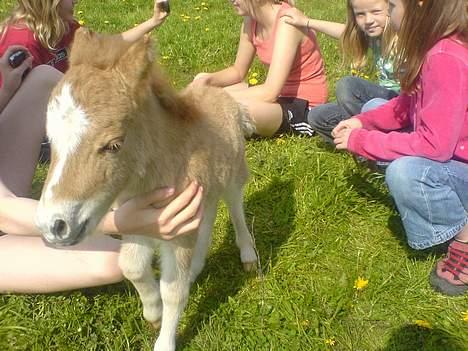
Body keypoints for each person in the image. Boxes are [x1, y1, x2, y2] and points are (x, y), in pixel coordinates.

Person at [0, 0, 204, 294]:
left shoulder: (64, 30)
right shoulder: (22, 36)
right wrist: (116, 222)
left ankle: (95, 139)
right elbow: (3, 211)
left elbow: (106, 46)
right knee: (112, 261)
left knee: (44, 76)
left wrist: (6, 91)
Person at [332, 0, 468, 296]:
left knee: (406, 172)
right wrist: (362, 122)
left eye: (392, 5)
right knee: (374, 106)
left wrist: (364, 142)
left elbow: (435, 146)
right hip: (452, 154)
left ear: (419, 6)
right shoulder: (434, 47)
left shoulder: (445, 57)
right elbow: (405, 107)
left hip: (456, 160)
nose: (390, 14)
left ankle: (462, 232)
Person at [191, 0, 328, 137]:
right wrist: (208, 79)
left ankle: (191, 126)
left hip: (304, 106)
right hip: (279, 96)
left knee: (233, 109)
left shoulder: (287, 23)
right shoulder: (251, 20)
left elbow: (269, 93)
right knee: (203, 82)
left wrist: (215, 99)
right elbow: (238, 71)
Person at [282, 0, 399, 143]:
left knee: (348, 85)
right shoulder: (374, 36)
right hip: (382, 103)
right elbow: (345, 32)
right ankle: (369, 140)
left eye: (376, 12)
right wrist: (307, 22)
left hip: (404, 107)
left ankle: (366, 143)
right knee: (318, 116)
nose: (368, 20)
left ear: (392, 8)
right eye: (360, 14)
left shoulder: (404, 37)